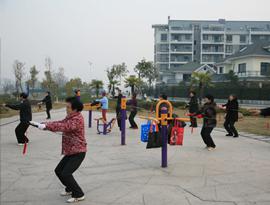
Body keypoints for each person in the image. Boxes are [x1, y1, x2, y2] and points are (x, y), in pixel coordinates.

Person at [31, 97, 86, 203]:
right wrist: (41, 124)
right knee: (58, 171)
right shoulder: (70, 116)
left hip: (79, 152)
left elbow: (64, 126)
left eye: (68, 107)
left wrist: (46, 126)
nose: (66, 108)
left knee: (66, 173)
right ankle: (70, 188)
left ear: (75, 109)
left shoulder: (77, 119)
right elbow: (59, 122)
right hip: (71, 151)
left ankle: (79, 194)